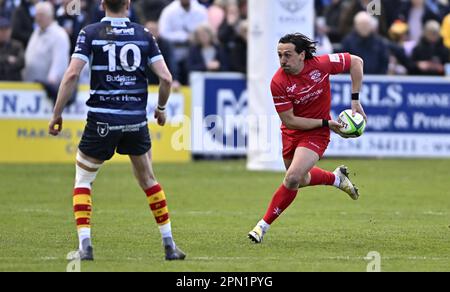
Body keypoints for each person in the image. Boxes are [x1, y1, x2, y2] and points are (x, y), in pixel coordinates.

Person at [48, 0, 186, 261]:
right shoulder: (144, 34)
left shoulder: (90, 33)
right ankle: (169, 244)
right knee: (149, 180)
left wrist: (57, 114)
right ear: (128, 4)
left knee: (84, 180)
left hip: (102, 120)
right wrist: (161, 107)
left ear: (102, 5)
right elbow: (166, 78)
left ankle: (85, 246)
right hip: (135, 121)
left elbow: (71, 75)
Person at [248, 33, 367, 244]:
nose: (283, 60)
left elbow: (356, 62)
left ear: (302, 55)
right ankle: (336, 178)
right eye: (279, 55)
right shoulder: (278, 82)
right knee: (299, 179)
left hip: (317, 134)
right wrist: (326, 122)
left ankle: (261, 227)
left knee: (292, 177)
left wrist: (355, 101)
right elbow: (290, 120)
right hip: (293, 132)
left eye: (288, 55)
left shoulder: (321, 65)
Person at [0, 17, 25, 81]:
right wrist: (7, 59)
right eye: (1, 30)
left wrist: (4, 65)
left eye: (6, 30)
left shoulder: (17, 45)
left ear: (10, 31)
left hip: (14, 84)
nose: (4, 33)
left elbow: (22, 62)